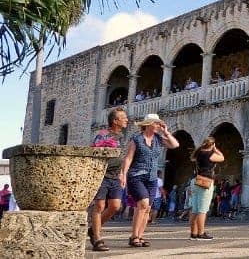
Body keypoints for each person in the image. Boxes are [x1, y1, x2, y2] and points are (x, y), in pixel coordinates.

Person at [121, 114, 179, 248]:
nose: (159, 126)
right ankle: (134, 236)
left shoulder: (159, 139)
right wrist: (123, 174)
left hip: (152, 178)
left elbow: (175, 145)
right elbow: (128, 158)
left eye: (159, 124)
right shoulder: (136, 139)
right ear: (148, 124)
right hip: (136, 175)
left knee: (146, 208)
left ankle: (139, 236)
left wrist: (166, 132)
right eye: (156, 124)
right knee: (143, 203)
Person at [87, 107, 128, 252]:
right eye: (123, 117)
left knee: (115, 206)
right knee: (99, 206)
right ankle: (97, 239)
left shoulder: (123, 137)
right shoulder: (102, 135)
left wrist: (123, 173)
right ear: (115, 121)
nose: (126, 119)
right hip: (102, 175)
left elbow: (124, 157)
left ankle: (93, 229)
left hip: (116, 176)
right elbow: (94, 154)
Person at [188, 137, 225, 240]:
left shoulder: (198, 153)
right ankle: (201, 233)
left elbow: (194, 159)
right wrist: (215, 149)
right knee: (202, 209)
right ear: (212, 145)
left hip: (195, 180)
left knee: (195, 209)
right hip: (206, 181)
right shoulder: (211, 155)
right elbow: (222, 157)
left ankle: (193, 233)